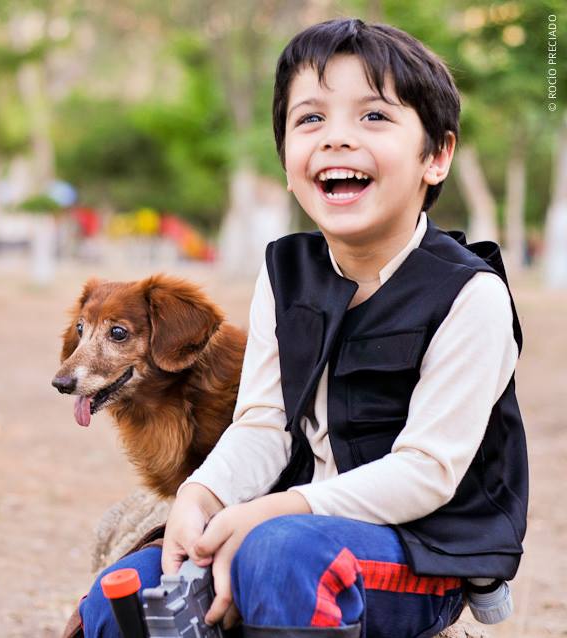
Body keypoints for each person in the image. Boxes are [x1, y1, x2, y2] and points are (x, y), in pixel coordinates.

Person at [74, 17, 527, 638]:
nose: (336, 139)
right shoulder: (284, 274)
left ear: (436, 156)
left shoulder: (470, 295)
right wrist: (201, 496)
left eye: (373, 116)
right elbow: (261, 424)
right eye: (310, 119)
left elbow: (428, 470)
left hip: (421, 550)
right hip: (290, 527)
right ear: (287, 161)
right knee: (113, 602)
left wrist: (274, 513)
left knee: (281, 556)